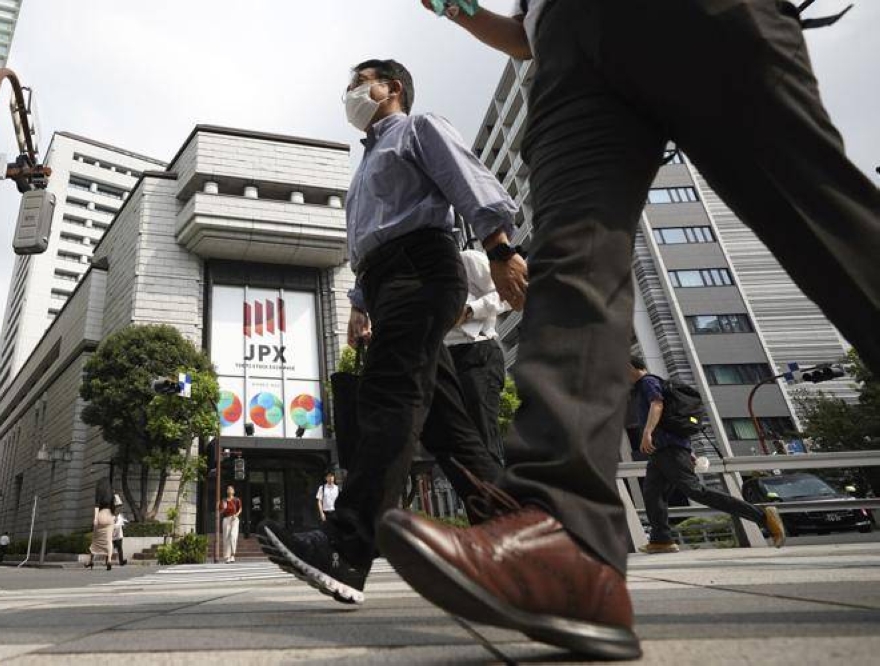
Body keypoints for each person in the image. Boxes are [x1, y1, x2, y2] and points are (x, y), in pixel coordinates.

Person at [376, 1, 880, 660]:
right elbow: (523, 37)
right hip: (567, 49)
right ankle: (566, 547)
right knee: (570, 268)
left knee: (823, 217)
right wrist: (456, 7)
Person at [257, 58, 515, 606]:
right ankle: (516, 542)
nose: (350, 93)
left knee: (390, 396)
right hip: (386, 282)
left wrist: (499, 248)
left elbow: (467, 180)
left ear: (391, 87)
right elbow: (369, 237)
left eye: (358, 82)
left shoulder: (418, 129)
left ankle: (346, 545)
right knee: (448, 428)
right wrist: (359, 305)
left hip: (421, 269)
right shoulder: (368, 163)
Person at [629, 355, 786, 554]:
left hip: (669, 450)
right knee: (652, 494)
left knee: (695, 491)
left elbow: (657, 404)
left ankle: (762, 517)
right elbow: (671, 420)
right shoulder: (646, 385)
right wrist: (687, 449)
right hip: (661, 451)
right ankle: (661, 540)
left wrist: (647, 432)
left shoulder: (648, 382)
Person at [428, 246, 509, 463]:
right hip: (440, 359)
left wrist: (470, 310)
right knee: (449, 443)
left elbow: (506, 293)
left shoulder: (468, 259)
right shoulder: (418, 280)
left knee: (483, 437)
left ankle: (496, 484)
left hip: (476, 351)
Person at [86, 480, 115, 571]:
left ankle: (90, 561)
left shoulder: (99, 493)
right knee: (109, 540)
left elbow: (96, 506)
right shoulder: (112, 493)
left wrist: (95, 518)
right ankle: (109, 561)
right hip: (110, 517)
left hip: (101, 517)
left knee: (95, 541)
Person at [219, 485, 241, 563]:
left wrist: (236, 515)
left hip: (234, 519)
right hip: (226, 519)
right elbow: (220, 511)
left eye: (231, 489)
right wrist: (223, 508)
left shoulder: (237, 500)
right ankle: (227, 557)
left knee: (233, 536)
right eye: (228, 489)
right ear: (227, 491)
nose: (230, 490)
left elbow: (240, 509)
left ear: (233, 491)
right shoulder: (224, 500)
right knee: (226, 537)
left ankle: (233, 555)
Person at [112, 496, 128, 566]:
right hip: (112, 536)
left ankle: (121, 561)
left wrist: (124, 525)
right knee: (110, 549)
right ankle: (108, 562)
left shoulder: (120, 516)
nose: (119, 509)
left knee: (120, 549)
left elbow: (122, 524)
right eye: (117, 507)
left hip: (119, 535)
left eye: (119, 507)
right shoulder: (111, 515)